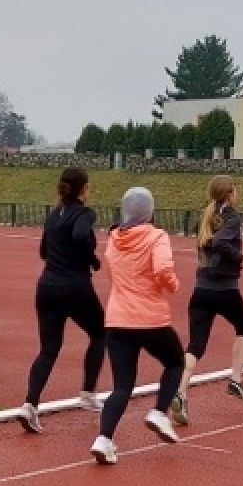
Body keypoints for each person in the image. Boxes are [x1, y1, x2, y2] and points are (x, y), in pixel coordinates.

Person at [90, 186, 185, 464]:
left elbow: (112, 273)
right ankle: (159, 412)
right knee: (175, 362)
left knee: (122, 386)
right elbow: (163, 270)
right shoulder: (156, 236)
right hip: (150, 317)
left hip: (118, 319)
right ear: (149, 211)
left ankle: (104, 439)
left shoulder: (114, 239)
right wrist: (172, 285)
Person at [17, 167, 106, 433]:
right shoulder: (84, 214)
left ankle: (30, 405)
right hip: (75, 287)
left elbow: (44, 251)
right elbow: (79, 236)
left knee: (48, 349)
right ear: (83, 189)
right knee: (100, 333)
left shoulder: (53, 215)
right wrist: (92, 260)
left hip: (47, 286)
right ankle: (88, 392)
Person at [169, 175, 243, 427]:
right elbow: (220, 242)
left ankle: (180, 392)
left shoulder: (205, 216)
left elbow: (209, 242)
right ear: (229, 194)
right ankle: (236, 379)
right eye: (235, 190)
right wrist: (240, 258)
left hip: (201, 290)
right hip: (225, 289)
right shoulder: (232, 217)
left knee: (195, 346)